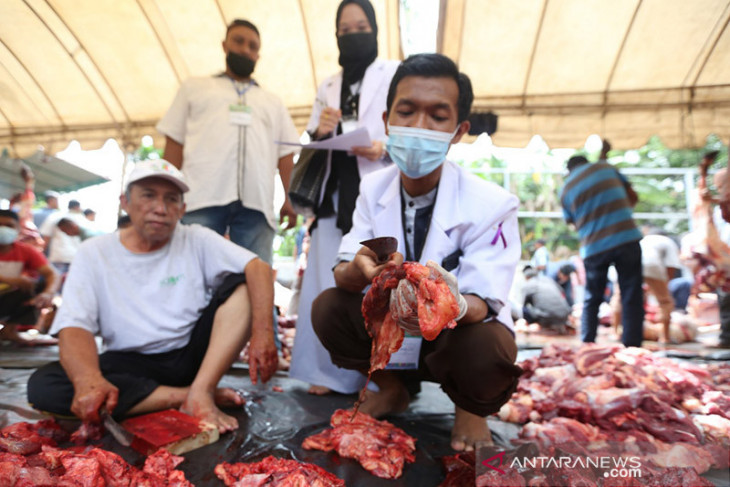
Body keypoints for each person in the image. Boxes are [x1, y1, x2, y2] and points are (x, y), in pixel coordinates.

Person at [311, 54, 523, 451]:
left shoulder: (492, 204)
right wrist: (362, 271)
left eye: (437, 116)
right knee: (328, 308)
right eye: (407, 111)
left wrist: (452, 303)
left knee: (485, 346)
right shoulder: (373, 189)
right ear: (387, 120)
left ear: (459, 131)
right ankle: (393, 389)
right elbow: (343, 269)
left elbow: (487, 298)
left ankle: (470, 411)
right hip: (396, 330)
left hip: (453, 336)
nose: (420, 127)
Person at [26, 160, 278, 432]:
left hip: (193, 356)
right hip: (129, 362)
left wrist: (262, 334)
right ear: (125, 201)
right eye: (148, 195)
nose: (160, 209)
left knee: (241, 280)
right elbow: (75, 325)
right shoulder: (94, 252)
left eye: (171, 200)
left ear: (182, 209)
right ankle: (189, 396)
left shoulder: (197, 238)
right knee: (45, 385)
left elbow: (258, 267)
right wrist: (88, 379)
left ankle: (200, 388)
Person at [289, 0, 399, 396]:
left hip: (375, 190)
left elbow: (407, 129)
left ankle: (379, 379)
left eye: (360, 27)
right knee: (324, 281)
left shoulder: (394, 73)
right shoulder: (329, 85)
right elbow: (314, 143)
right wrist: (320, 131)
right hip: (335, 197)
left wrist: (382, 146)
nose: (353, 36)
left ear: (374, 29)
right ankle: (327, 372)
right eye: (345, 31)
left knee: (374, 285)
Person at [157, 19, 300, 264]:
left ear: (258, 55)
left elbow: (285, 155)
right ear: (224, 45)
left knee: (256, 281)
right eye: (239, 41)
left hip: (257, 202)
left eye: (253, 46)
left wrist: (290, 199)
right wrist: (163, 195)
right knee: (192, 275)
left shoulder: (272, 101)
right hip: (201, 197)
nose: (245, 49)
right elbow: (174, 146)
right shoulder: (195, 88)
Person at [560, 152, 644, 347]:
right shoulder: (605, 167)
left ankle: (588, 345)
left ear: (569, 170)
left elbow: (573, 223)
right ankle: (632, 348)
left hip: (594, 245)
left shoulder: (566, 189)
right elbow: (632, 197)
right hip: (625, 236)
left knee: (592, 297)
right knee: (631, 293)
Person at [0, 209, 58, 344]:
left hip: (5, 299)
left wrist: (48, 293)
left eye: (9, 225)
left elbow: (52, 274)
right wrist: (9, 280)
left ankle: (9, 331)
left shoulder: (25, 251)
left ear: (18, 228)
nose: (3, 229)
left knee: (36, 286)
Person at [522, 266, 571, 332]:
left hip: (547, 318)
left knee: (523, 310)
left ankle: (535, 325)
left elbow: (523, 304)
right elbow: (562, 292)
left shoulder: (528, 284)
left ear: (527, 277)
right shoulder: (549, 280)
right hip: (564, 316)